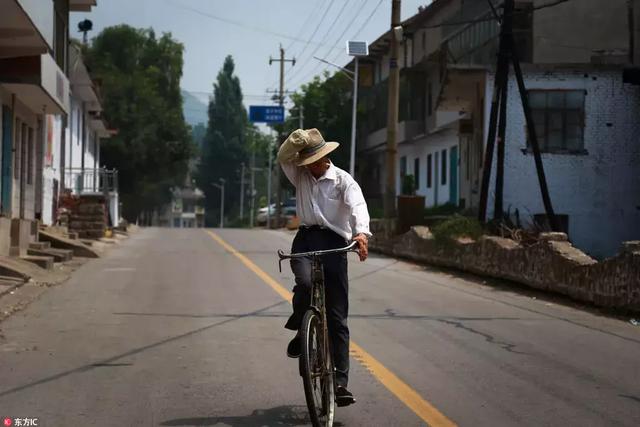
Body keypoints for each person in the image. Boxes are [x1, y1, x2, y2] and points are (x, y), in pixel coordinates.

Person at [277, 128, 371, 408]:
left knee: (337, 318)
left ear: (325, 157)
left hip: (334, 242)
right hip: (305, 239)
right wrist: (297, 139)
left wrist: (361, 234)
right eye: (307, 161)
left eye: (315, 160)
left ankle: (340, 383)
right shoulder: (300, 174)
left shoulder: (343, 180)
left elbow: (358, 206)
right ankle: (301, 329)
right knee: (304, 284)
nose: (311, 166)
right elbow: (283, 157)